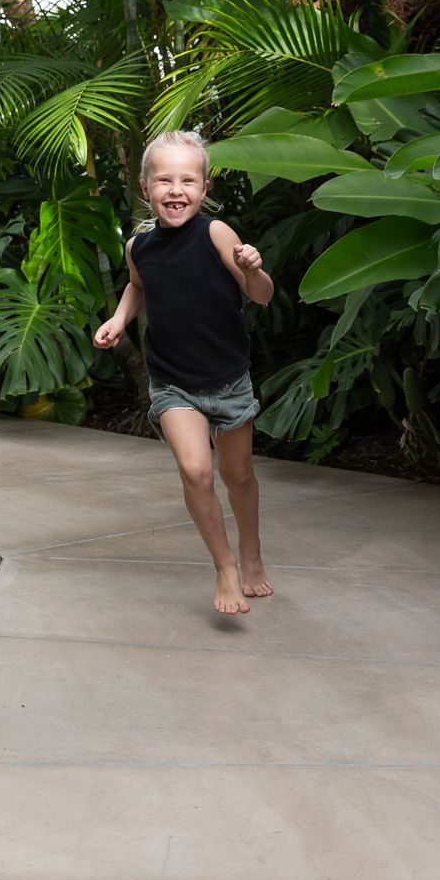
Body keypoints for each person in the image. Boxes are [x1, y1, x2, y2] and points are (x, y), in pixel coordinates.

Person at [95, 129, 276, 616]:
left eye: (188, 181)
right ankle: (225, 567)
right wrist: (119, 319)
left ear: (204, 187)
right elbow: (138, 286)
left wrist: (252, 268)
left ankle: (252, 553)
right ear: (145, 187)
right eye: (164, 180)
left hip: (228, 378)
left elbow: (261, 295)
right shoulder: (139, 246)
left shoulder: (216, 234)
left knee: (238, 476)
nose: (176, 190)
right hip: (172, 381)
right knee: (196, 471)